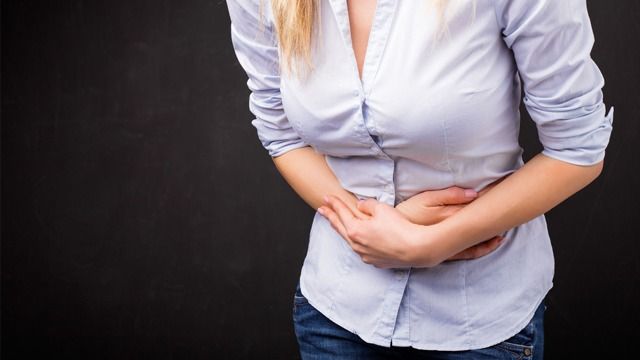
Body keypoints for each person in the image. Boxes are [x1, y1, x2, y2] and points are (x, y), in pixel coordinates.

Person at [226, 0, 613, 358]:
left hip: (480, 325)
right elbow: (281, 133)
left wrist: (432, 243)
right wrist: (367, 225)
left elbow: (577, 149)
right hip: (336, 315)